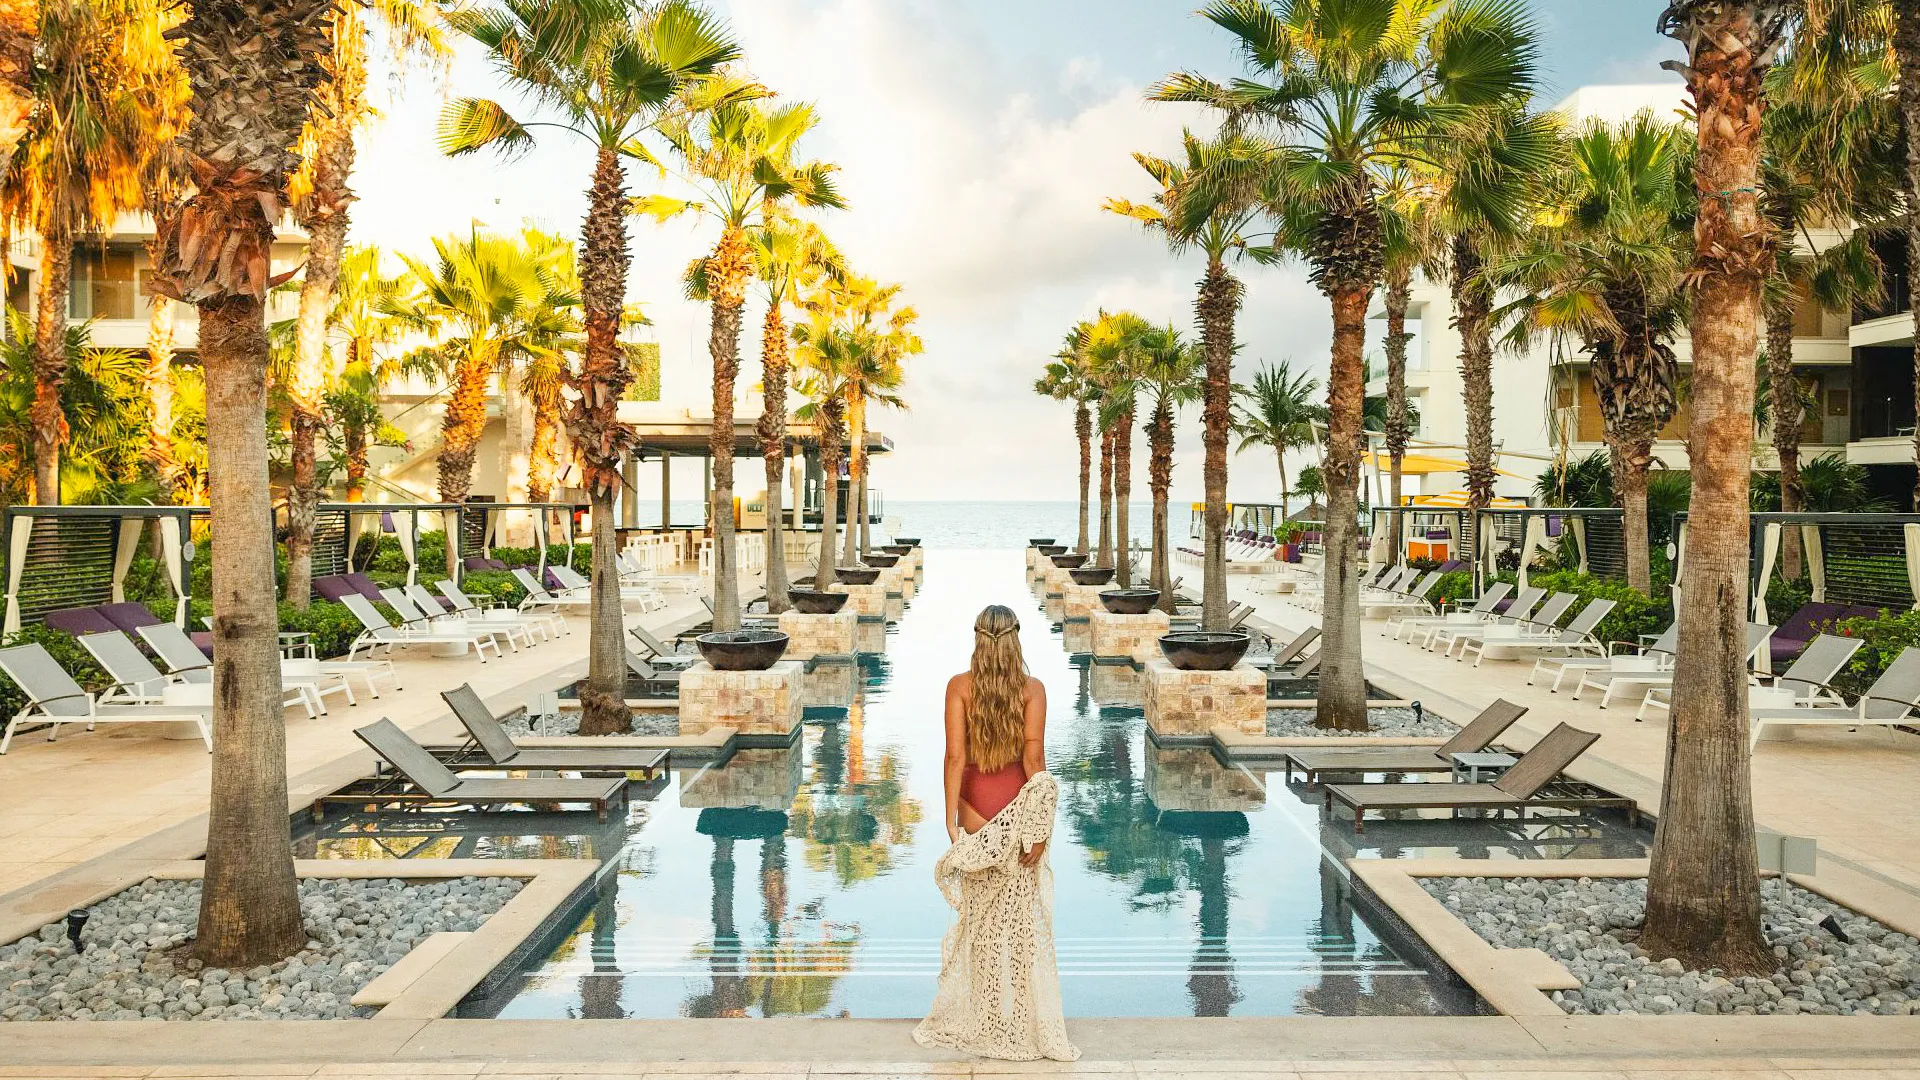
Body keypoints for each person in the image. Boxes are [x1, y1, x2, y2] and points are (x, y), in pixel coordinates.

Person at [913, 604, 1078, 1061]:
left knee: (981, 924)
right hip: (1018, 818)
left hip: (975, 815)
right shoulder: (1033, 689)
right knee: (1020, 927)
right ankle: (1021, 1023)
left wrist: (952, 818)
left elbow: (954, 758)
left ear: (977, 638)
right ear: (1016, 638)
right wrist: (1039, 828)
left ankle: (984, 1020)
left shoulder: (959, 687)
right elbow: (1035, 762)